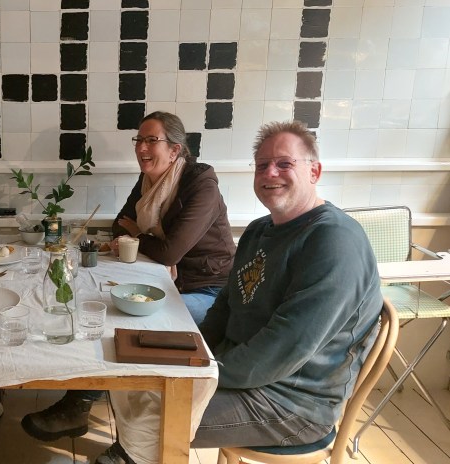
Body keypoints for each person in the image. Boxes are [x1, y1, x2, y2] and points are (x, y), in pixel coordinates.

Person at [95, 120, 384, 464]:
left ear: (314, 171)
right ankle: (130, 453)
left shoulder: (335, 241)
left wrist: (200, 372)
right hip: (242, 375)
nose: (270, 173)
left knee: (153, 414)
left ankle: (132, 454)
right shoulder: (259, 230)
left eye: (284, 163)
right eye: (262, 165)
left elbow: (283, 349)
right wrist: (190, 356)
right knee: (130, 379)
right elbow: (225, 307)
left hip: (291, 404)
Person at [21, 111, 236, 442]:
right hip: (163, 280)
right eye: (139, 140)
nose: (141, 148)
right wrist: (138, 233)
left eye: (151, 140)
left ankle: (84, 407)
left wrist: (138, 233)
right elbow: (119, 224)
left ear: (175, 150)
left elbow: (169, 252)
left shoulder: (201, 184)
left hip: (207, 290)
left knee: (132, 321)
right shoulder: (149, 180)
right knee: (101, 306)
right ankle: (82, 399)